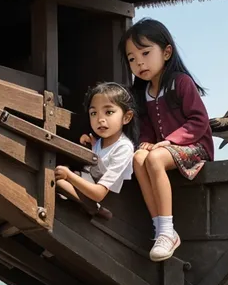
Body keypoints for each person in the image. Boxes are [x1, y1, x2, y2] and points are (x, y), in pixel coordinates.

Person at [120, 18, 214, 261]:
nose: (139, 62)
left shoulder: (181, 82)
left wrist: (171, 141)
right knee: (140, 156)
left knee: (155, 158)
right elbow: (147, 126)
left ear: (167, 52)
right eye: (132, 58)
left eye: (145, 52)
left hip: (195, 147)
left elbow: (199, 120)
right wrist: (147, 141)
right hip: (162, 151)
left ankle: (165, 231)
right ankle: (163, 230)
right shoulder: (142, 93)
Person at [54, 82, 137, 219]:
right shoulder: (98, 142)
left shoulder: (124, 147)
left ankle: (94, 207)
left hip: (100, 193)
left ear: (126, 117)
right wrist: (91, 146)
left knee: (60, 181)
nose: (100, 119)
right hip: (87, 179)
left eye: (109, 112)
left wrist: (68, 175)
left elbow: (99, 192)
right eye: (93, 113)